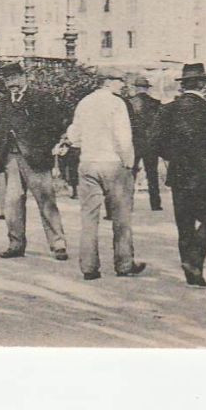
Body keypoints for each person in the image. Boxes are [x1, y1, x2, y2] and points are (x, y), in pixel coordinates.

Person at [151, 62, 206, 288]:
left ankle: (191, 270)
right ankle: (195, 260)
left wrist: (174, 157)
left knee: (185, 224)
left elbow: (155, 143)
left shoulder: (168, 109)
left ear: (184, 85)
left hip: (180, 176)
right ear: (202, 84)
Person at [0, 60, 71, 261]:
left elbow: (55, 126)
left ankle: (58, 244)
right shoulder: (2, 103)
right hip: (10, 158)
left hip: (36, 158)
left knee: (46, 200)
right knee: (12, 202)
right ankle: (15, 243)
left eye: (15, 78)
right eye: (8, 80)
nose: (12, 83)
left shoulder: (41, 98)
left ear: (24, 77)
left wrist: (43, 148)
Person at [68, 75, 146, 280]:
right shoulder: (116, 103)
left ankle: (88, 267)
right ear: (109, 82)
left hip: (88, 163)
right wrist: (129, 163)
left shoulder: (84, 103)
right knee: (121, 217)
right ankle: (124, 263)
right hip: (112, 163)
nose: (122, 85)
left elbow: (74, 137)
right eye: (120, 80)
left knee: (88, 218)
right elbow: (123, 137)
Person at [123, 75, 162, 211]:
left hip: (135, 143)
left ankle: (129, 203)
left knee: (131, 173)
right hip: (151, 143)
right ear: (147, 89)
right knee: (152, 173)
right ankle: (155, 204)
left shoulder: (128, 103)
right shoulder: (156, 103)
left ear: (135, 88)